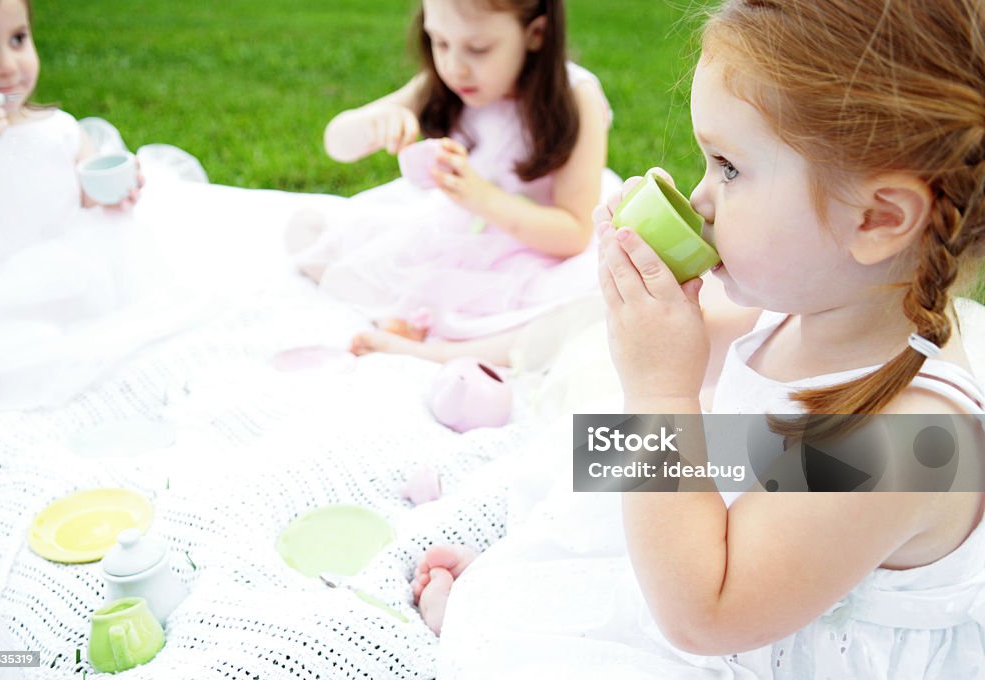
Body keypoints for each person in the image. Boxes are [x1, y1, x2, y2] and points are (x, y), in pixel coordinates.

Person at [413, 1, 985, 676]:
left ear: (877, 219)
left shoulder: (909, 445)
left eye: (729, 168)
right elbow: (714, 369)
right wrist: (649, 300)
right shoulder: (816, 306)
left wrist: (660, 387)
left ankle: (526, 614)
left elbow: (703, 615)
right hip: (724, 567)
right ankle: (537, 588)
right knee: (608, 465)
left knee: (647, 446)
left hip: (740, 623)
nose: (700, 198)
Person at [292, 0, 612, 365]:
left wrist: (481, 197)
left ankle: (440, 351)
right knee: (318, 239)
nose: (454, 67)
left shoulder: (573, 98)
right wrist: (375, 123)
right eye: (439, 42)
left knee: (583, 313)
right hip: (463, 234)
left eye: (478, 48)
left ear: (536, 33)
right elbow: (337, 143)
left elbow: (573, 233)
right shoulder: (443, 84)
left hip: (536, 249)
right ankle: (404, 318)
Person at [0, 0, 164, 417]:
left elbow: (79, 190)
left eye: (18, 39)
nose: (7, 65)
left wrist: (112, 190)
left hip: (66, 282)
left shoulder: (56, 128)